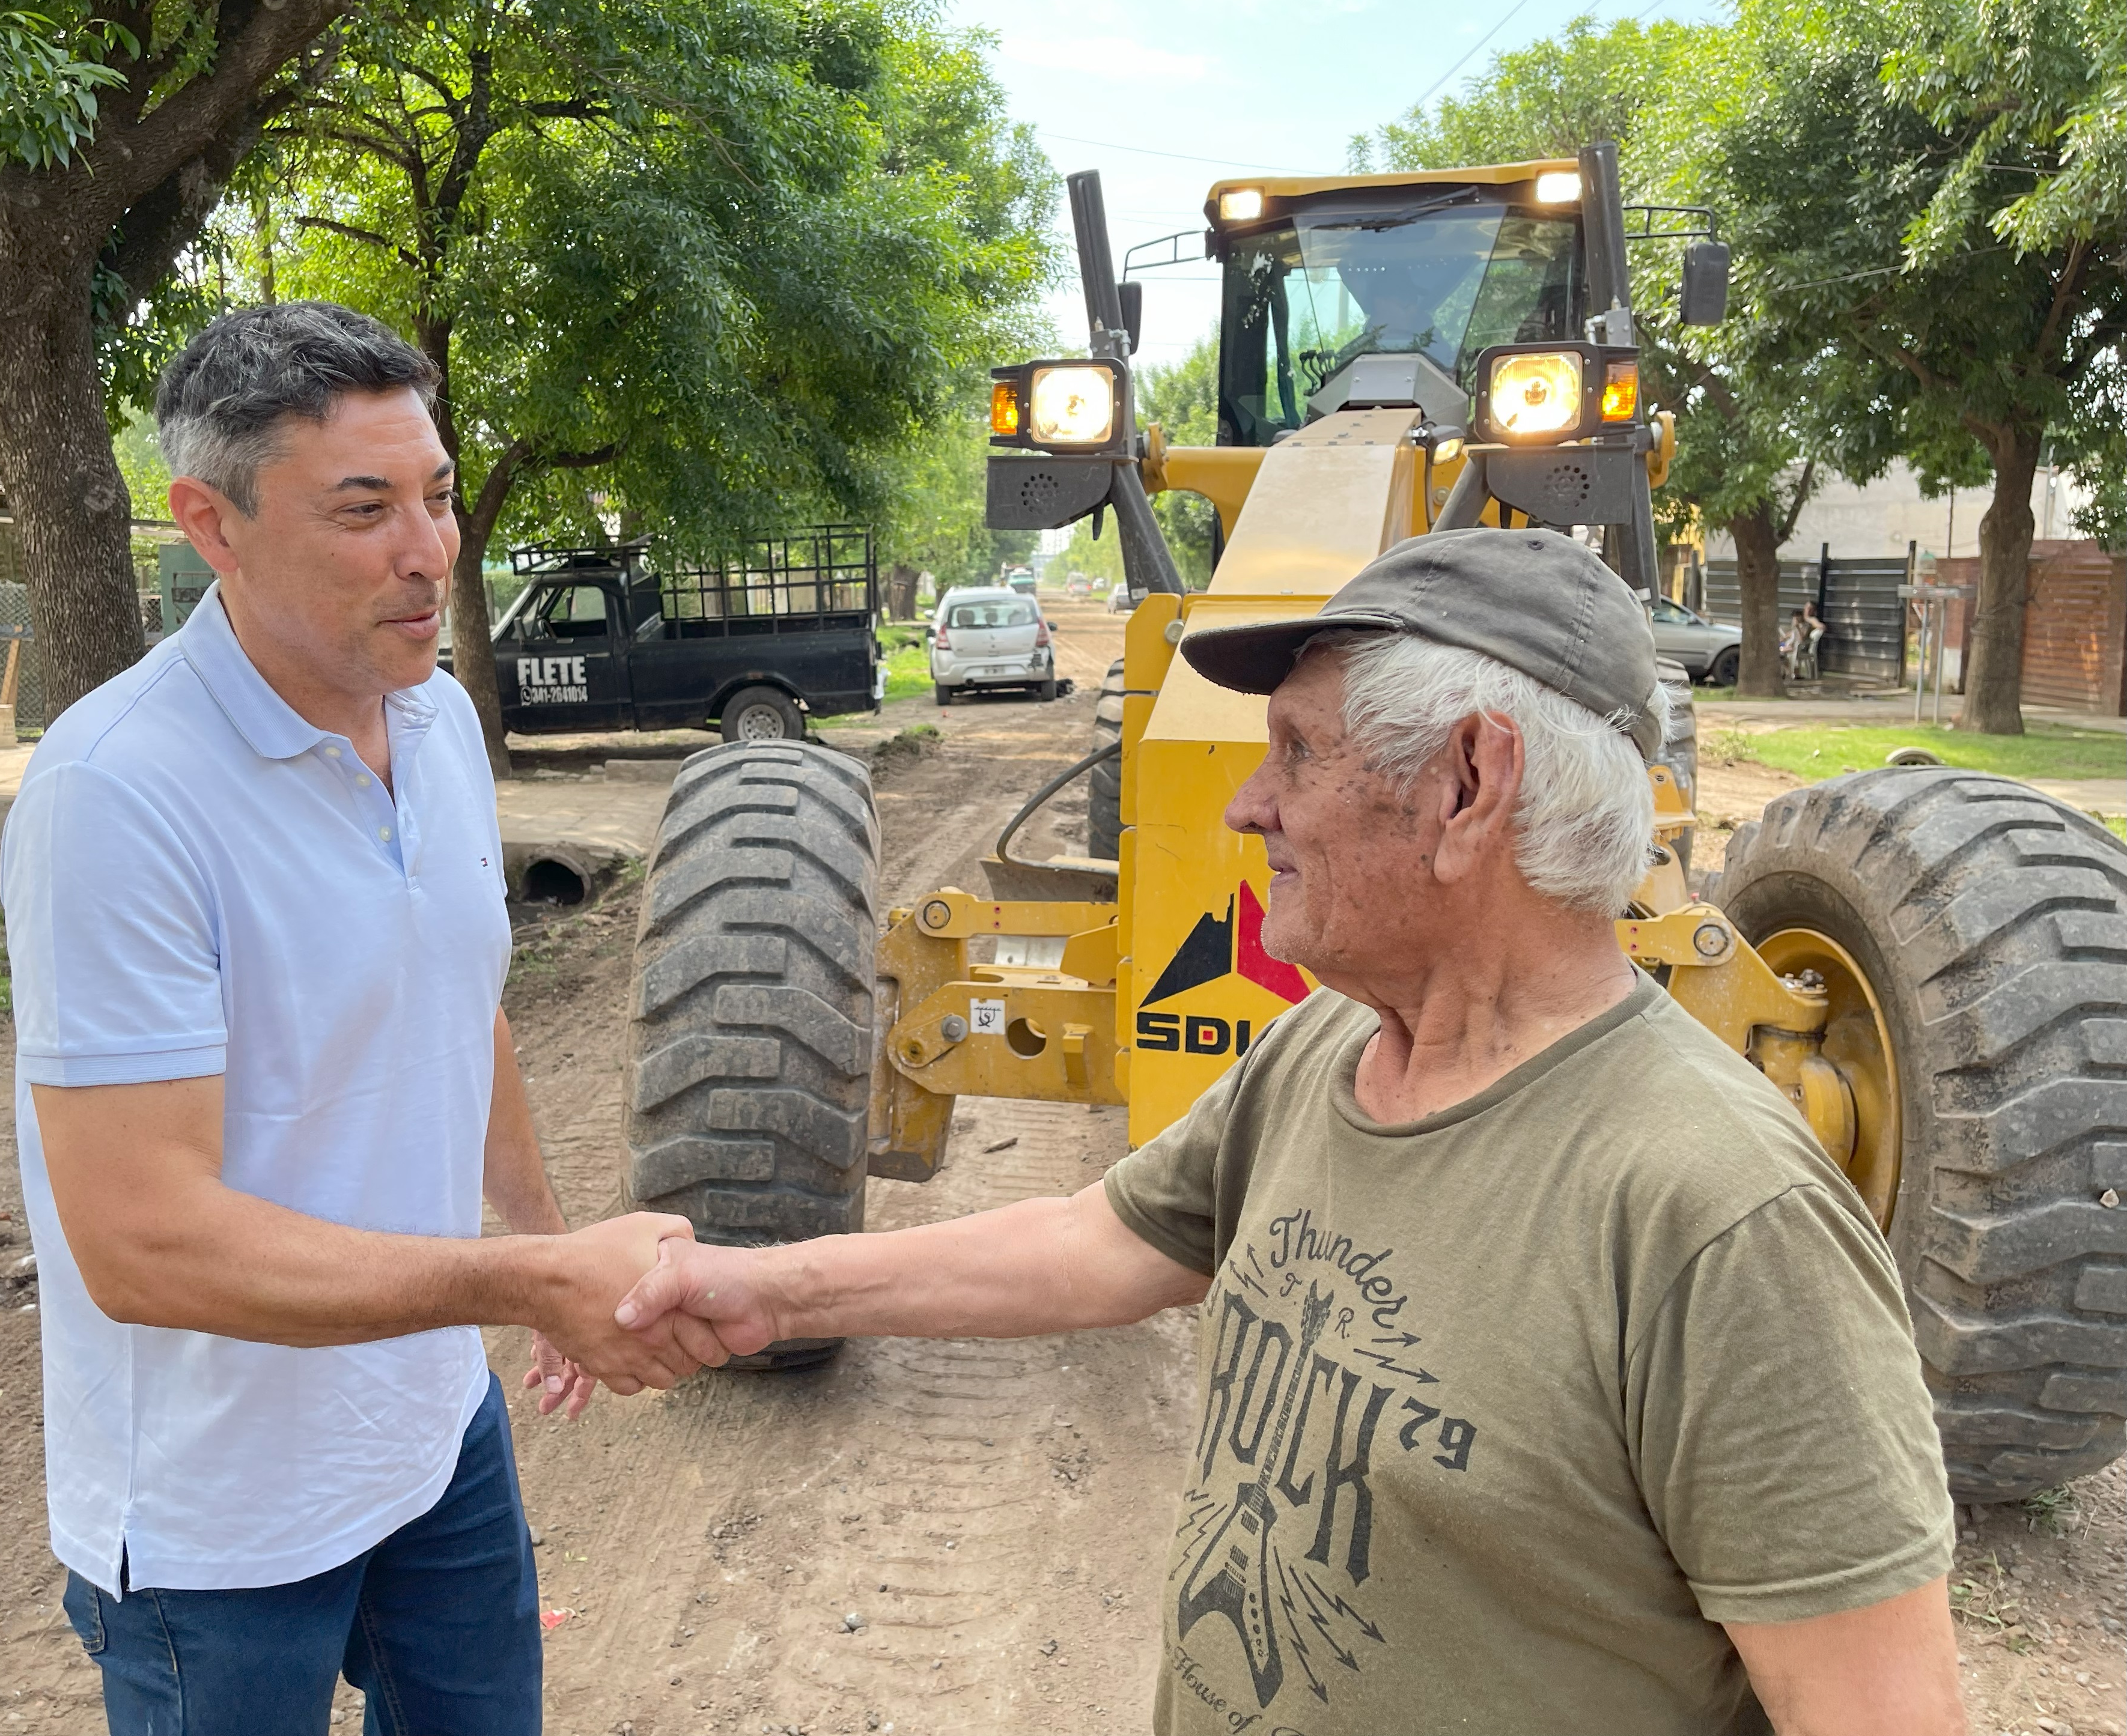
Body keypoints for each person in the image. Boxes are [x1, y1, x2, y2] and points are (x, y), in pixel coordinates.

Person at [613, 528, 1963, 1736]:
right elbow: (1097, 1243)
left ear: (1469, 785)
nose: (1245, 808)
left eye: (1298, 755)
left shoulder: (1723, 1219)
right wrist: (761, 1287)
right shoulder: (1330, 1047)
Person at [0, 302, 722, 1736]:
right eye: (364, 509)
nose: (432, 551)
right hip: (224, 1523)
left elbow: (463, 1007)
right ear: (211, 523)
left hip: (435, 1441)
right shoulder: (119, 799)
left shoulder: (438, 721)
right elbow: (143, 1246)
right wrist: (530, 1285)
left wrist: (536, 1238)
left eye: (440, 495)